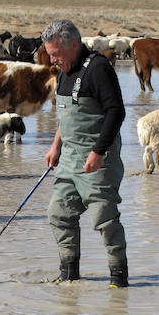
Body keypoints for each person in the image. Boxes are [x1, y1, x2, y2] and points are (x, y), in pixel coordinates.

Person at [42, 20, 128, 288]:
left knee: (104, 217)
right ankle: (69, 274)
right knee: (58, 213)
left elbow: (116, 112)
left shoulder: (99, 68)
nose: (53, 60)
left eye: (56, 54)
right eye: (50, 55)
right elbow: (66, 116)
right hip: (68, 157)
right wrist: (56, 145)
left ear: (74, 45)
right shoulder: (63, 72)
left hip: (97, 158)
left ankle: (118, 279)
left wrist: (98, 152)